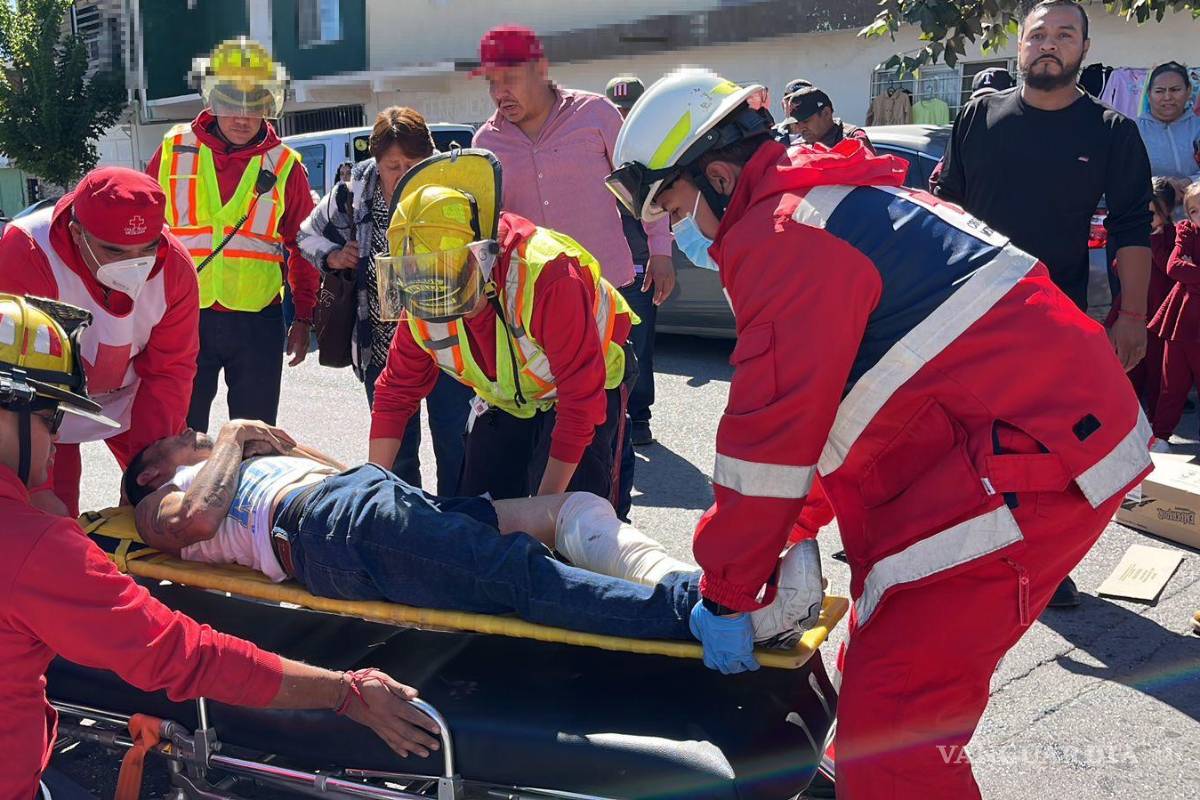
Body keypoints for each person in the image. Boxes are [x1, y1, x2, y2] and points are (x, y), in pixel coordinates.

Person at [608, 66, 1149, 796]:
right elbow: (833, 417)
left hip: (1034, 457)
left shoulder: (783, 235)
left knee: (894, 732)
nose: (684, 232)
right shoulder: (822, 197)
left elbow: (768, 441)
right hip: (1027, 433)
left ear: (720, 176)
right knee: (880, 663)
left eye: (676, 207)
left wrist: (728, 591)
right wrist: (780, 536)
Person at [0, 293, 441, 799]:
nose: (56, 440)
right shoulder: (33, 549)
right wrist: (343, 693)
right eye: (49, 417)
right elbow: (181, 655)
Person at [122, 423, 823, 655]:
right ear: (153, 468)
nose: (194, 432)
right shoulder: (166, 499)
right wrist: (239, 436)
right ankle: (717, 616)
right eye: (180, 438)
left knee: (562, 510)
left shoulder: (228, 461)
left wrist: (270, 442)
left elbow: (337, 473)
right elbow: (195, 524)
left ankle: (707, 589)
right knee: (519, 575)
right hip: (331, 530)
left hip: (365, 506)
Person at [934, 0, 1154, 609]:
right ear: (1021, 45)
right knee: (960, 441)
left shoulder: (1111, 132)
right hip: (964, 314)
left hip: (1053, 320)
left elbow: (1134, 227)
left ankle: (1041, 564)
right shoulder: (979, 117)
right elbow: (944, 209)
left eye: (1065, 34)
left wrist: (1131, 317)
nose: (1050, 44)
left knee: (1041, 451)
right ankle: (962, 553)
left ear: (1084, 49)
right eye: (1039, 34)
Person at [369, 151, 637, 503]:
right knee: (478, 517)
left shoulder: (547, 276)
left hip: (586, 389)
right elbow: (395, 393)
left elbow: (579, 403)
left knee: (576, 524)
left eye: (449, 290)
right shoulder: (425, 287)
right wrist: (368, 485)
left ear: (479, 258)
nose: (436, 311)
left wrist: (544, 513)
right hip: (507, 400)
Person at [0, 168, 199, 517]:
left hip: (133, 399)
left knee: (163, 498)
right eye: (114, 251)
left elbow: (169, 374)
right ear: (77, 234)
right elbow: (23, 379)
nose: (134, 265)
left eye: (148, 247)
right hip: (46, 403)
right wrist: (38, 489)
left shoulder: (176, 266)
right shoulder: (29, 251)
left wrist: (147, 476)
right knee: (45, 513)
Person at [147, 37, 319, 432]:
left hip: (257, 321)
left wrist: (304, 317)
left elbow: (303, 246)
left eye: (254, 104)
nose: (242, 117)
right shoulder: (173, 149)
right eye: (231, 103)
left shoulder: (285, 165)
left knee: (255, 439)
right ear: (213, 99)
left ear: (268, 103)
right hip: (183, 316)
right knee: (179, 437)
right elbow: (142, 235)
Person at [298, 107, 472, 494]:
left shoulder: (452, 187)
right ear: (376, 163)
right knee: (398, 455)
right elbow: (306, 235)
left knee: (457, 444)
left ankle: (459, 528)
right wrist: (334, 256)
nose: (406, 174)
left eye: (415, 163)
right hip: (383, 348)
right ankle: (407, 533)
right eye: (395, 165)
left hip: (448, 347)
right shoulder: (353, 192)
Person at [469, 25, 674, 329]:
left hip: (607, 288)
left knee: (623, 376)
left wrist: (661, 251)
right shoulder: (486, 144)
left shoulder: (596, 113)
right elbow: (486, 227)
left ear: (540, 69)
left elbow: (640, 187)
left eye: (509, 79)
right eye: (491, 83)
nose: (499, 94)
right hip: (533, 300)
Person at [605, 75, 659, 520]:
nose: (623, 117)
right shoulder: (601, 150)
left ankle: (637, 418)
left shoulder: (643, 155)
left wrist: (660, 254)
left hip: (637, 266)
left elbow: (654, 210)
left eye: (630, 108)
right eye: (617, 108)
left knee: (637, 348)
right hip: (601, 269)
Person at [1150, 183, 1200, 447]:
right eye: (1194, 210)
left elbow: (1185, 271)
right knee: (1172, 385)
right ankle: (1160, 436)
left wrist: (1192, 276)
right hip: (1180, 320)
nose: (1199, 216)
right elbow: (1175, 266)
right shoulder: (1186, 231)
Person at [1136, 62, 1200, 190]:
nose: (1167, 97)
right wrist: (1161, 186)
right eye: (1159, 91)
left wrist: (1189, 182)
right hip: (1150, 205)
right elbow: (1123, 174)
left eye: (1175, 90)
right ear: (1149, 94)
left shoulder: (1197, 127)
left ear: (1188, 91)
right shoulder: (1133, 130)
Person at [778, 85, 873, 151]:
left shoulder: (854, 140)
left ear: (826, 113)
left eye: (806, 121)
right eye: (797, 123)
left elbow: (870, 175)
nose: (800, 128)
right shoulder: (798, 146)